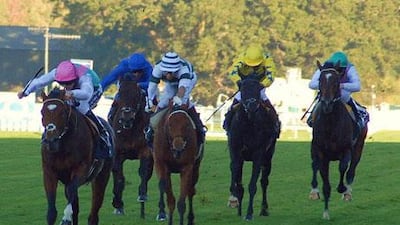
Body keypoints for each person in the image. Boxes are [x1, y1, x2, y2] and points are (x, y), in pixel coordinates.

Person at [17, 60, 111, 163]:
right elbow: (39, 82)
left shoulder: (85, 78)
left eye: (69, 83)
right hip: (77, 91)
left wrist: (71, 93)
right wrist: (25, 92)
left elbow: (86, 93)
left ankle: (102, 134)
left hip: (94, 90)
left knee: (82, 108)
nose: (65, 86)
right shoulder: (56, 72)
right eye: (62, 83)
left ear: (75, 79)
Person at [145, 51, 206, 148]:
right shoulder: (157, 68)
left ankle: (200, 129)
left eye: (171, 72)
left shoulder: (184, 70)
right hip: (171, 84)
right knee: (163, 103)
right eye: (167, 72)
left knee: (183, 103)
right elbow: (152, 88)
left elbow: (182, 89)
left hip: (188, 82)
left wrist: (177, 99)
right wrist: (149, 102)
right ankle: (151, 129)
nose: (168, 75)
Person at [223, 44, 281, 138]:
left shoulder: (267, 59)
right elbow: (233, 71)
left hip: (259, 86)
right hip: (245, 86)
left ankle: (275, 125)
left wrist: (262, 85)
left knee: (266, 103)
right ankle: (227, 124)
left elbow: (271, 75)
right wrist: (238, 81)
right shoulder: (242, 57)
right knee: (235, 103)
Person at [307, 51, 368, 132]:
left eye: (341, 69)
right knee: (318, 106)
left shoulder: (350, 68)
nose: (339, 71)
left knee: (357, 111)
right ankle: (312, 119)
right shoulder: (325, 68)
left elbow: (357, 86)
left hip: (344, 97)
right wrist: (327, 84)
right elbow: (311, 84)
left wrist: (341, 85)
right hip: (325, 97)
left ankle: (358, 122)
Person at [101, 52, 153, 123]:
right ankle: (111, 116)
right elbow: (110, 78)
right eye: (134, 71)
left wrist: (139, 85)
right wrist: (100, 88)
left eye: (140, 71)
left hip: (143, 88)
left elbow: (151, 84)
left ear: (144, 68)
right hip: (126, 87)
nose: (137, 74)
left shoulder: (148, 68)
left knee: (151, 101)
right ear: (130, 68)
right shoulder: (123, 67)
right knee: (119, 97)